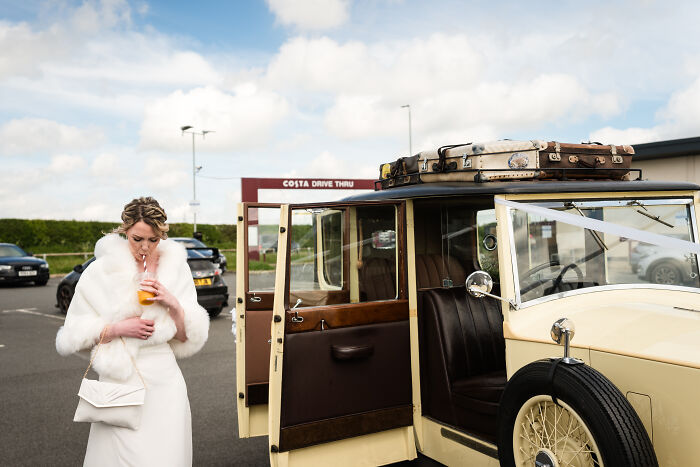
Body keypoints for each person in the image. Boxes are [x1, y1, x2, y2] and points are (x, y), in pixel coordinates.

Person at [56, 197, 209, 467]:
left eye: (153, 240)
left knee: (166, 457)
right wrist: (117, 328)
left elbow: (187, 338)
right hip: (119, 382)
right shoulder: (100, 271)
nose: (145, 247)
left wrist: (173, 304)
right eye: (137, 239)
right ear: (124, 230)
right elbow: (72, 335)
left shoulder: (176, 269)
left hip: (164, 382)